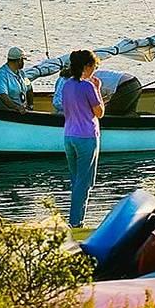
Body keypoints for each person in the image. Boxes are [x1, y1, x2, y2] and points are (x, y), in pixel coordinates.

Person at [60, 48, 104, 228]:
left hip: (69, 136)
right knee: (84, 183)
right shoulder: (88, 86)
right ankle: (76, 223)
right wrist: (98, 89)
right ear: (87, 66)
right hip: (86, 137)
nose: (95, 70)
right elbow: (99, 112)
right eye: (94, 66)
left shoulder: (66, 85)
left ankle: (75, 220)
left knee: (76, 180)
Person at [54, 65, 144, 117]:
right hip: (134, 82)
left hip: (125, 85)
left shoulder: (81, 80)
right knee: (128, 114)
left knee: (107, 115)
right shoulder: (82, 76)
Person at [0, 46, 31, 112]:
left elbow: (29, 87)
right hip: (8, 113)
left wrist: (30, 105)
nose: (24, 62)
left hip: (22, 110)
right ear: (19, 60)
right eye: (23, 60)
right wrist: (16, 107)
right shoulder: (1, 75)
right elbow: (2, 95)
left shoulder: (21, 73)